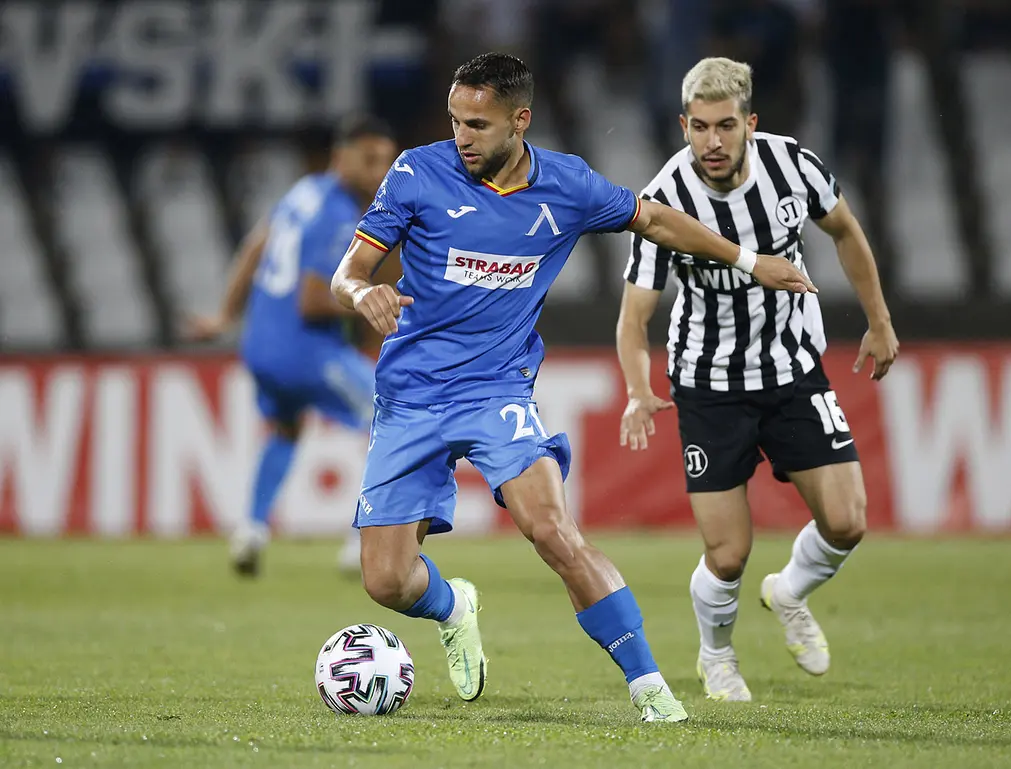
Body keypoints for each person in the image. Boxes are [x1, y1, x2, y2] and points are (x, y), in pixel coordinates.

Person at [330, 52, 813, 722]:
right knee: (386, 580)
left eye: (477, 124)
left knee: (554, 530)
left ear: (520, 121)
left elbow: (655, 219)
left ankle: (650, 688)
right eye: (455, 120)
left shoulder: (568, 185)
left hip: (496, 391)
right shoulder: (417, 172)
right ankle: (454, 605)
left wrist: (749, 259)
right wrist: (363, 294)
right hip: (410, 395)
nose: (461, 136)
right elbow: (347, 272)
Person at [616, 57, 899, 702]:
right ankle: (716, 655)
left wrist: (879, 321)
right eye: (699, 128)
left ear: (750, 123)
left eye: (725, 126)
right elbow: (633, 319)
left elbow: (846, 231)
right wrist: (636, 388)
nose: (712, 142)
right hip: (709, 384)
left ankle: (789, 591)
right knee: (728, 554)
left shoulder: (793, 165)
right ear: (683, 126)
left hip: (793, 368)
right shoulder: (664, 200)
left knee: (848, 521)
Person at [187, 117, 399, 578]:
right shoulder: (340, 214)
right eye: (369, 160)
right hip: (305, 349)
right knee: (395, 417)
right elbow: (314, 300)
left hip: (260, 344)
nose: (380, 172)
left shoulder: (305, 192)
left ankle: (251, 531)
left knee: (286, 428)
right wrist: (375, 301)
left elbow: (254, 247)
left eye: (386, 161)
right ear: (340, 158)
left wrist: (225, 315)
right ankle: (362, 541)